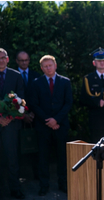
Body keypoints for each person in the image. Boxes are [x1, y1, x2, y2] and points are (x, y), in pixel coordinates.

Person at [30, 55, 72, 196]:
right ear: (42, 68)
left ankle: (63, 184)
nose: (48, 68)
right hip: (43, 126)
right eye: (45, 66)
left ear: (55, 65)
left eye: (50, 65)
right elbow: (34, 104)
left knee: (62, 156)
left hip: (61, 126)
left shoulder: (65, 82)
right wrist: (48, 120)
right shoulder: (36, 83)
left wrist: (57, 120)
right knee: (43, 157)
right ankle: (44, 185)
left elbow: (68, 103)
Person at [0, 48, 25, 199]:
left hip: (11, 124)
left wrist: (9, 117)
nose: (1, 61)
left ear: (8, 59)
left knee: (12, 158)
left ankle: (14, 189)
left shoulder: (16, 76)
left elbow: (21, 98)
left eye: (3, 57)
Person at [16, 50, 40, 179]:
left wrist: (32, 113)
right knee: (17, 147)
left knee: (35, 146)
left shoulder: (36, 76)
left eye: (26, 60)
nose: (24, 63)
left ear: (29, 60)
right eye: (21, 60)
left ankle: (36, 174)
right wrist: (23, 114)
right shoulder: (12, 76)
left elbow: (40, 97)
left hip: (34, 116)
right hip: (17, 117)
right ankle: (19, 175)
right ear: (16, 61)